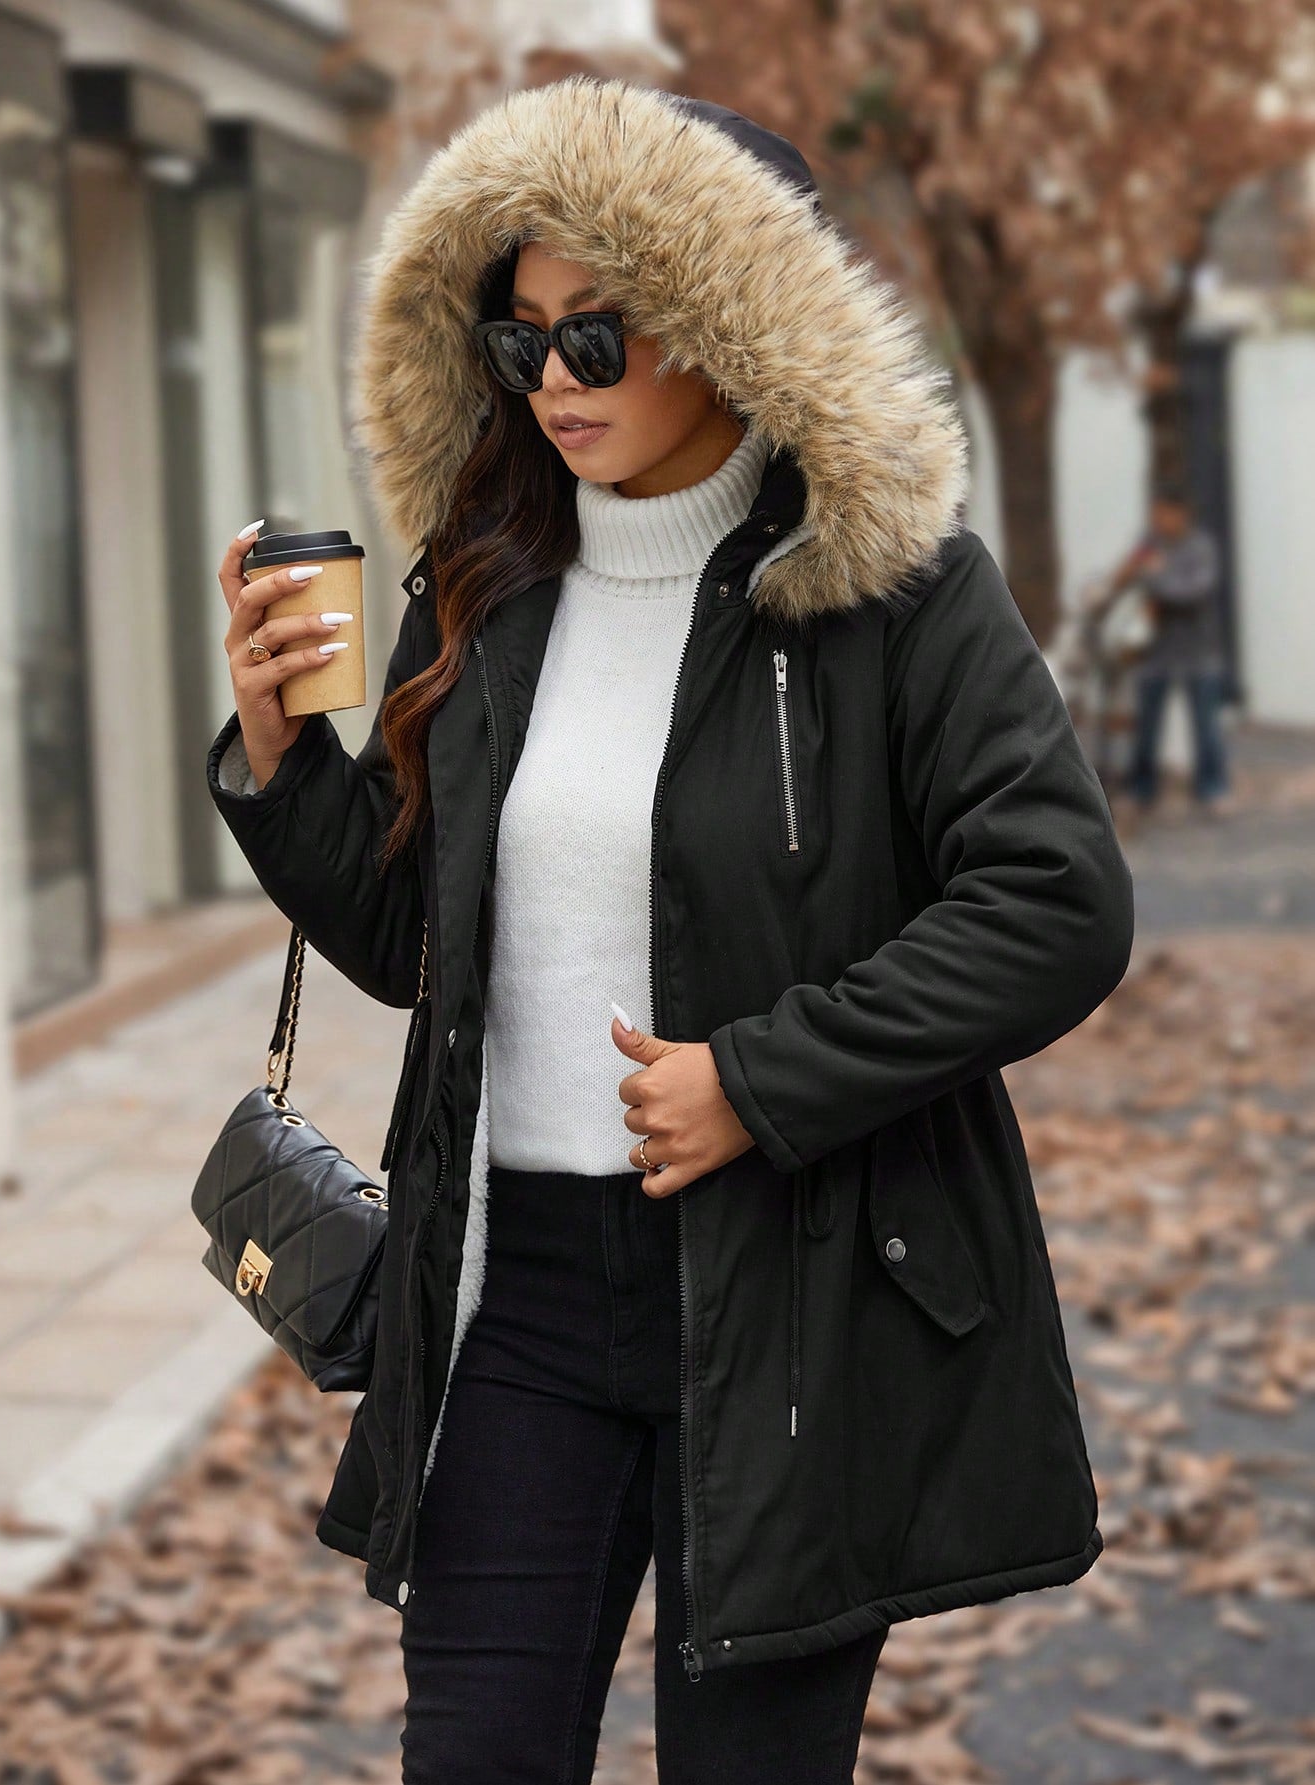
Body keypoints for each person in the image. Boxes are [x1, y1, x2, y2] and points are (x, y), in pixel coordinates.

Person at [205, 77, 1135, 1785]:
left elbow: (1058, 901)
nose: (554, 379)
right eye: (521, 340)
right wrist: (282, 764)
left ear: (727, 321)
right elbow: (418, 941)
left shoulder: (896, 590)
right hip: (515, 1298)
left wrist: (759, 1081)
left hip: (792, 1299)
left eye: (599, 333)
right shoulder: (485, 581)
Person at [1105, 482, 1235, 820]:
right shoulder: (1149, 544)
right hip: (1155, 653)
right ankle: (1141, 789)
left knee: (1206, 727)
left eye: (1166, 514)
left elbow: (1194, 592)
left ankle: (1213, 789)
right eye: (1157, 514)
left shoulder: (1201, 547)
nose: (1160, 520)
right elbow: (1122, 581)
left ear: (1182, 514)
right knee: (1146, 727)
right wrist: (1127, 575)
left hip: (1199, 653)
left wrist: (1155, 577)